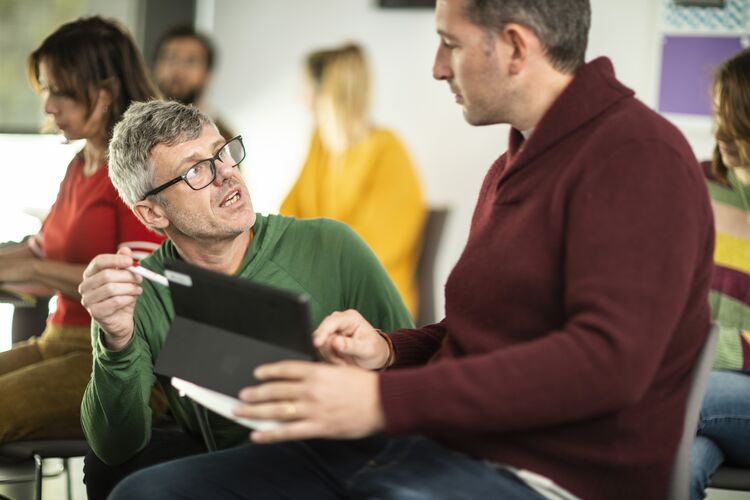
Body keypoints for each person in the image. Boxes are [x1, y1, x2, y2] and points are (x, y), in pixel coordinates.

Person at [107, 0, 714, 498]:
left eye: (448, 43)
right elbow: (482, 334)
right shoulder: (514, 165)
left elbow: (606, 364)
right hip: (445, 444)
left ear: (514, 47)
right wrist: (390, 351)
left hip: (546, 474)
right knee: (145, 493)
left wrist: (381, 399)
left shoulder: (637, 157)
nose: (436, 67)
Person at [77, 99, 413, 500]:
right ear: (152, 214)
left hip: (342, 459)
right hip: (234, 468)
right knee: (112, 473)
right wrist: (115, 342)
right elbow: (116, 446)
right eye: (196, 169)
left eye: (222, 152)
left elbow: (414, 375)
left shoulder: (332, 245)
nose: (226, 174)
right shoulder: (138, 294)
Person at [0, 16, 165, 444]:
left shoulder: (137, 172)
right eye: (46, 90)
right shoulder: (81, 164)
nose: (48, 106)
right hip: (57, 339)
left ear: (105, 93)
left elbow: (137, 286)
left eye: (61, 92)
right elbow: (38, 252)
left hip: (112, 356)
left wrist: (36, 275)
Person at [280, 43, 425, 317]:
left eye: (304, 86)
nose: (299, 97)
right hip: (321, 290)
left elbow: (374, 251)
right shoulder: (319, 145)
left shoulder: (387, 150)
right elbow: (289, 216)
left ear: (326, 90)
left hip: (373, 301)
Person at [690, 48, 750, 500]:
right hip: (695, 373)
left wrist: (698, 347)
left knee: (663, 391)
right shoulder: (695, 184)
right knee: (679, 465)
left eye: (733, 124)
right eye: (715, 116)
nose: (718, 135)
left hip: (699, 373)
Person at [152, 25, 235, 139]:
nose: (178, 70)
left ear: (207, 73)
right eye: (169, 58)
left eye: (191, 61)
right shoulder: (135, 129)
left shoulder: (222, 138)